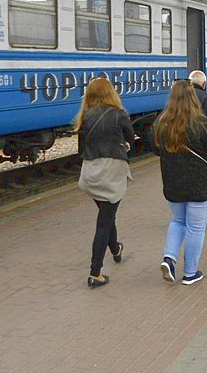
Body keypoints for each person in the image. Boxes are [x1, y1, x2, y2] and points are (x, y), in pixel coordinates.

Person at [153, 80, 207, 285]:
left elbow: (155, 149)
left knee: (178, 221)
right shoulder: (201, 123)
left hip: (172, 183)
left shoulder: (161, 123)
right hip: (200, 185)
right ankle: (190, 273)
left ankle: (169, 259)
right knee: (195, 227)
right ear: (193, 98)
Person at [73, 77, 135, 289]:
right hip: (111, 172)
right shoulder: (119, 114)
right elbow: (131, 137)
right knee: (104, 222)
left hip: (91, 172)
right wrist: (124, 144)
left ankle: (116, 248)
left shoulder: (86, 115)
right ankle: (95, 273)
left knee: (107, 215)